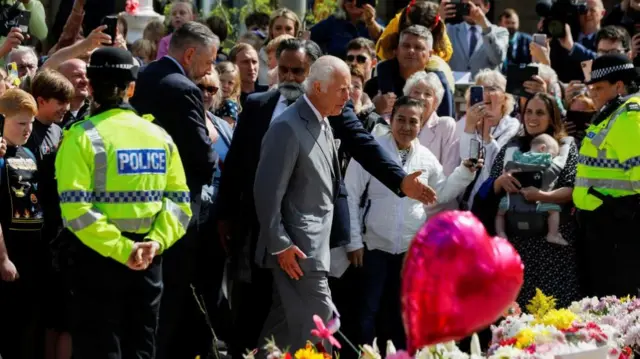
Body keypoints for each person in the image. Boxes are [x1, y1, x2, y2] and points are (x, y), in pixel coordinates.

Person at [55, 47, 191, 359]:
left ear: (90, 86)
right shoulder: (160, 136)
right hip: (149, 262)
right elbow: (180, 204)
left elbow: (76, 211)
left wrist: (122, 249)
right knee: (142, 349)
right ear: (131, 88)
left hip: (98, 262)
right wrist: (154, 244)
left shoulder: (81, 137)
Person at [345, 96, 477, 351]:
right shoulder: (372, 151)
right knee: (367, 312)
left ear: (421, 123)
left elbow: (441, 192)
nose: (406, 127)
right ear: (390, 119)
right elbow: (350, 194)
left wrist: (464, 172)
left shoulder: (426, 157)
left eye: (413, 121)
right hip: (373, 248)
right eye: (401, 120)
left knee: (402, 314)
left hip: (409, 252)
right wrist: (353, 242)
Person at [129, 21, 219, 359]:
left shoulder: (144, 77)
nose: (210, 69)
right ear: (191, 53)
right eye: (209, 61)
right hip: (176, 214)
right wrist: (210, 136)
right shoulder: (183, 88)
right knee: (167, 304)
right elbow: (205, 158)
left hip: (137, 205)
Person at [254, 55, 350, 354]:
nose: (349, 96)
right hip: (297, 252)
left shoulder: (322, 122)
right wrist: (280, 244)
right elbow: (266, 191)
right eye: (342, 89)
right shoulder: (288, 126)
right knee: (324, 326)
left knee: (280, 334)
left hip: (312, 248)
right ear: (319, 87)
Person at [488, 92, 580, 307]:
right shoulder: (512, 147)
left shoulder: (566, 148)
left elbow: (573, 190)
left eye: (540, 113)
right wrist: (501, 182)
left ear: (552, 117)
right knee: (517, 319)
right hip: (517, 247)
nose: (533, 117)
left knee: (556, 317)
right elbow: (490, 187)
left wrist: (542, 196)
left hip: (553, 250)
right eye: (529, 112)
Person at [574, 54, 640, 298]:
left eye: (600, 88)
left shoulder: (628, 117)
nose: (594, 94)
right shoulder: (613, 112)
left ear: (619, 86)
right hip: (602, 223)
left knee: (614, 301)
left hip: (617, 223)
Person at [0, 89, 45, 359]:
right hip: (7, 253)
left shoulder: (28, 152)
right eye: (20, 123)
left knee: (25, 325)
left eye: (31, 123)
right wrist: (3, 258)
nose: (28, 129)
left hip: (31, 253)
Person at [495, 134, 567, 246]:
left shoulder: (517, 156)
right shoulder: (544, 158)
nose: (552, 157)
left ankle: (501, 233)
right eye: (552, 154)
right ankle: (552, 234)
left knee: (499, 214)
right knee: (555, 210)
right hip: (536, 203)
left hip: (510, 201)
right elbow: (554, 164)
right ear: (542, 148)